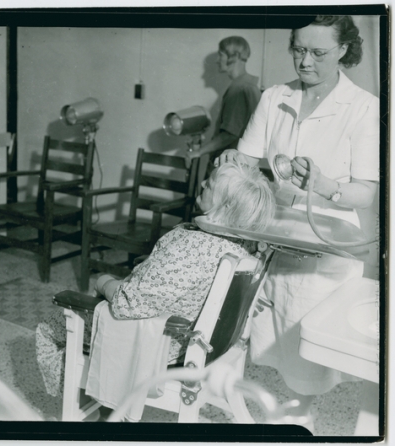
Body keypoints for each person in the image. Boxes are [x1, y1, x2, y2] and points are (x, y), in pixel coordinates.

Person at [217, 16, 379, 433]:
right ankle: (238, 398)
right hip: (270, 231)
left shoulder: (363, 107)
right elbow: (248, 158)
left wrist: (326, 185)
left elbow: (367, 191)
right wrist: (231, 161)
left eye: (318, 53)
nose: (305, 62)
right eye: (299, 50)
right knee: (255, 323)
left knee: (305, 340)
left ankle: (299, 414)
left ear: (343, 50)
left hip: (325, 240)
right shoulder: (274, 97)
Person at [35, 161, 275, 402]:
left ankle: (77, 405)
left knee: (50, 328)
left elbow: (128, 304)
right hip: (195, 338)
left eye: (210, 184)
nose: (202, 184)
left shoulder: (191, 248)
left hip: (159, 344)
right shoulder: (242, 246)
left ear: (227, 203)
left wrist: (104, 282)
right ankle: (98, 399)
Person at [185, 36, 261, 181]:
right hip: (238, 168)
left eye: (221, 55)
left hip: (227, 169)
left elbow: (230, 134)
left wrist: (198, 152)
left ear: (234, 57)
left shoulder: (239, 89)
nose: (217, 60)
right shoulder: (250, 86)